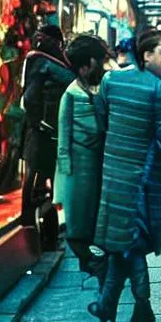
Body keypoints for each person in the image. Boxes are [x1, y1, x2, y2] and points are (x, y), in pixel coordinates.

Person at [88, 31, 161, 322]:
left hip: (114, 174)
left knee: (126, 243)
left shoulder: (110, 82)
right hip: (144, 179)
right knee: (131, 242)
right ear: (146, 55)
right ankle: (133, 305)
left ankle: (119, 306)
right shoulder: (160, 91)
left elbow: (101, 121)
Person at [53, 35, 108, 288]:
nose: (104, 66)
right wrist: (65, 174)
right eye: (100, 61)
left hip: (99, 167)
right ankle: (89, 262)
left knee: (95, 218)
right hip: (76, 170)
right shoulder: (71, 94)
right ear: (86, 65)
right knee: (76, 223)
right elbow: (63, 138)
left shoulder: (100, 88)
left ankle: (98, 262)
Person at [21, 25, 75, 226]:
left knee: (38, 174)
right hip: (45, 129)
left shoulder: (37, 59)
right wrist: (40, 122)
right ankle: (34, 225)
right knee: (40, 175)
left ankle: (40, 225)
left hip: (44, 128)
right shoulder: (46, 61)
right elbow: (30, 97)